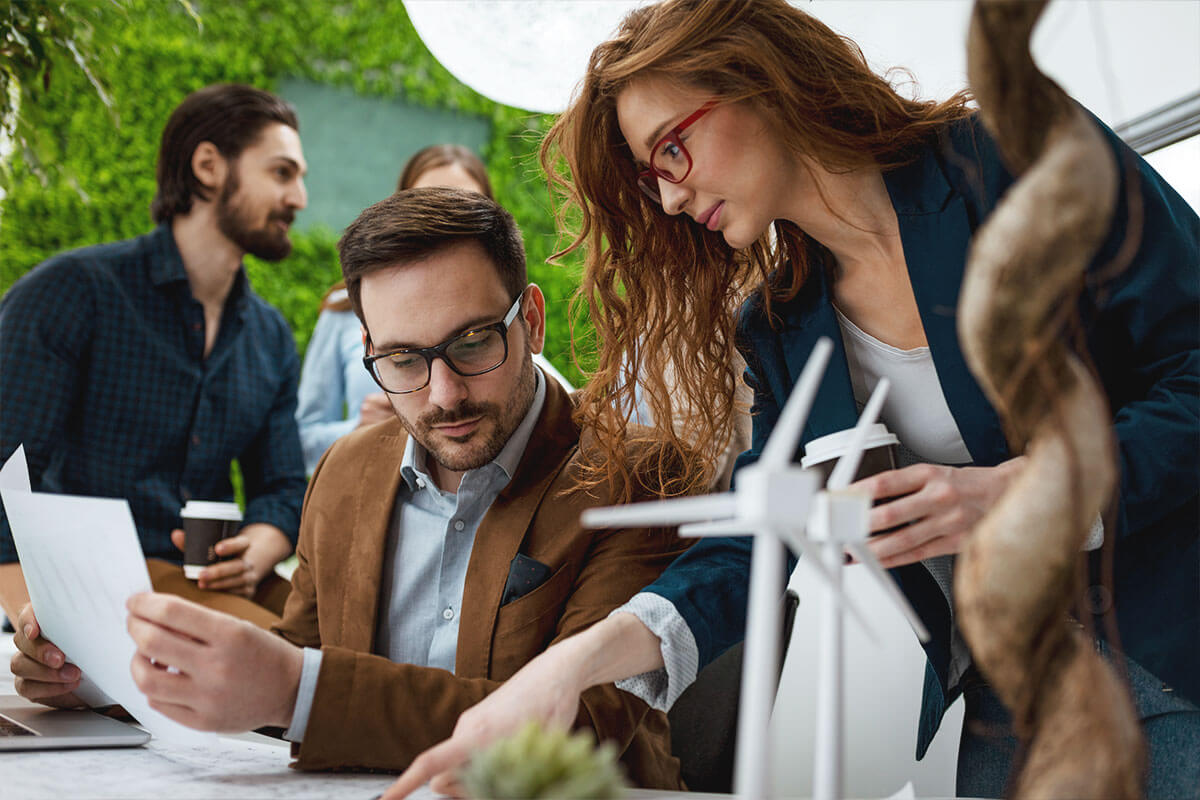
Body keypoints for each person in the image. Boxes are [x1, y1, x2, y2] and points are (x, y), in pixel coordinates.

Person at [386, 1, 1199, 797]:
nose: (668, 197)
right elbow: (764, 536)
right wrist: (576, 663)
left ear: (758, 80)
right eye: (650, 174)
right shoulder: (779, 324)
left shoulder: (1014, 154)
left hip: (1167, 638)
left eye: (672, 148)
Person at [11, 188, 691, 787]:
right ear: (368, 348)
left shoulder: (639, 476)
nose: (443, 394)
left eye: (474, 343)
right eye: (402, 359)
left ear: (532, 321)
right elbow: (293, 695)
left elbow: (583, 729)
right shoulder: (346, 472)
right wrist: (110, 683)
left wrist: (295, 687)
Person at [0, 84, 309, 641]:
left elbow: (283, 485)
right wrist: (47, 635)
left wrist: (259, 545)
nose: (300, 197)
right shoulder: (73, 293)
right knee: (302, 665)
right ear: (209, 166)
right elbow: (5, 475)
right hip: (100, 583)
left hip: (219, 582)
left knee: (358, 640)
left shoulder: (270, 337)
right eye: (283, 173)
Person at [295, 144, 495, 473]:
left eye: (465, 207)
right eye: (402, 357)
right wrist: (358, 430)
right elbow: (301, 440)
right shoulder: (343, 310)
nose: (446, 226)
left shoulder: (503, 315)